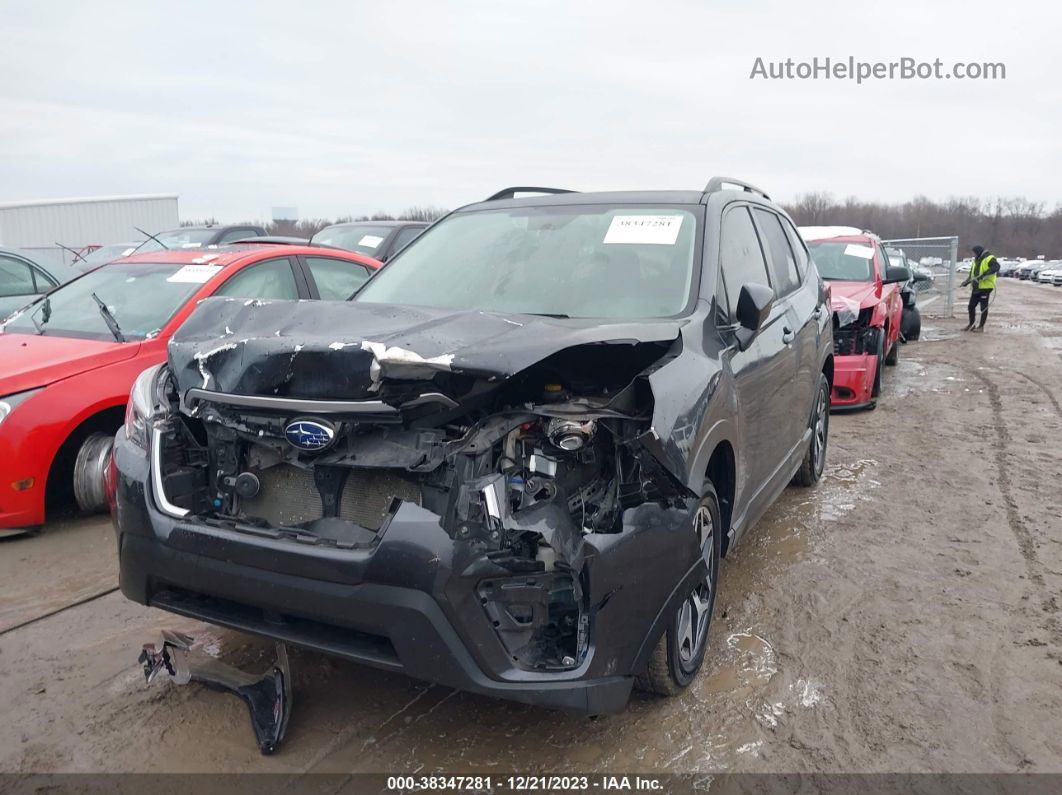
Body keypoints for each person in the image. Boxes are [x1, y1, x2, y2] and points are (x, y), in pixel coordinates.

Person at [961, 245, 999, 331]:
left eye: (974, 252)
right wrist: (966, 282)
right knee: (971, 306)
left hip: (985, 288)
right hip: (976, 287)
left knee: (983, 307)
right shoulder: (976, 260)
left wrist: (985, 274)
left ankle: (981, 326)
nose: (973, 254)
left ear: (978, 252)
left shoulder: (989, 258)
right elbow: (972, 274)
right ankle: (971, 324)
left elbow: (996, 267)